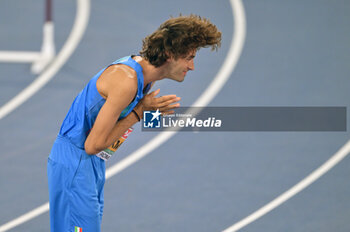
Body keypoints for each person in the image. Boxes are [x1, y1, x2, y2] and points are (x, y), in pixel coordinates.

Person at [47, 14, 221, 232]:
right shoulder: (126, 81)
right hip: (76, 162)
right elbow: (94, 144)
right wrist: (140, 113)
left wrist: (149, 112)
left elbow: (119, 124)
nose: (192, 66)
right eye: (188, 57)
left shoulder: (144, 76)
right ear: (169, 54)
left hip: (92, 164)